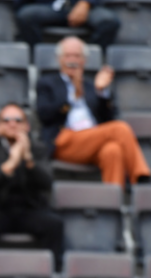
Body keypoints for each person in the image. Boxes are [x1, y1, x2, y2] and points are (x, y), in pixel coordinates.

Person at [37, 37, 150, 187]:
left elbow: (108, 119)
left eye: (77, 56)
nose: (72, 60)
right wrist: (72, 96)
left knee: (112, 150)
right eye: (68, 56)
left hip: (93, 139)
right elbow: (44, 115)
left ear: (84, 60)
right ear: (59, 59)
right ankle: (141, 178)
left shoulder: (91, 86)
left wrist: (101, 92)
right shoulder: (47, 83)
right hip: (63, 140)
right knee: (120, 128)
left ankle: (112, 204)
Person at [0, 103, 64, 270]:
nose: (12, 124)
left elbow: (47, 183)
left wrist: (29, 160)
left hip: (29, 208)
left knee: (54, 223)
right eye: (6, 120)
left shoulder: (37, 148)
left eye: (18, 120)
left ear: (27, 125)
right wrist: (10, 164)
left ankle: (54, 276)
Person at [15, 0, 120, 50]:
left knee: (108, 22)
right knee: (26, 16)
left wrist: (86, 3)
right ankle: (36, 59)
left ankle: (90, 62)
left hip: (85, 6)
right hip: (49, 6)